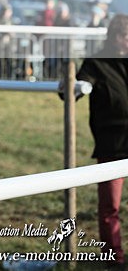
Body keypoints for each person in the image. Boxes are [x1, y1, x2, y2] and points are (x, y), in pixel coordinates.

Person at [76, 14, 128, 267]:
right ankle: (115, 258)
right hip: (112, 145)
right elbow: (78, 85)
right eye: (125, 37)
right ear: (116, 37)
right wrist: (74, 87)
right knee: (110, 206)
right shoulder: (96, 62)